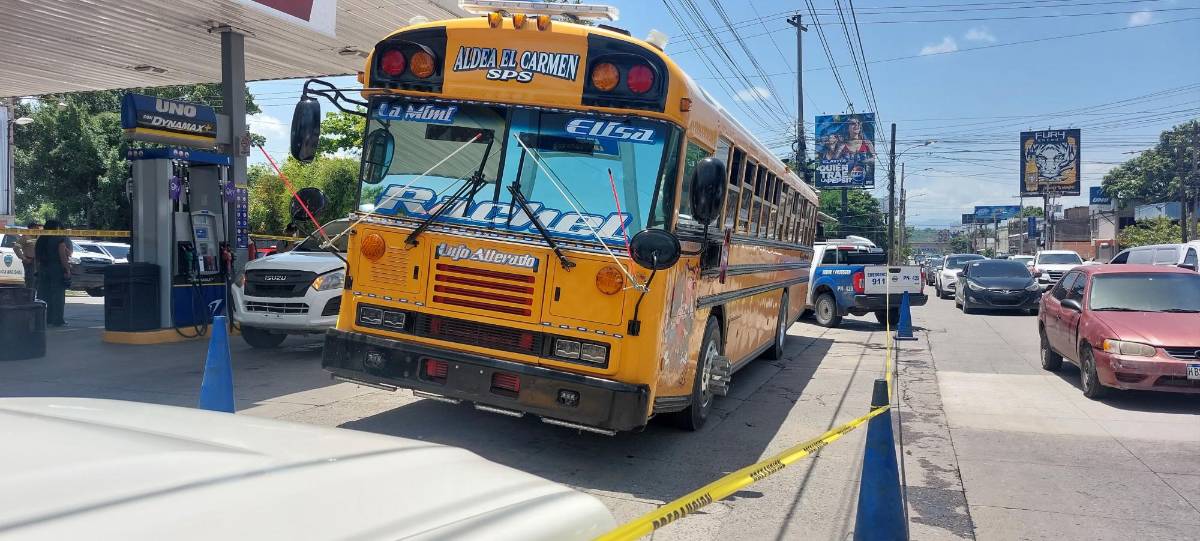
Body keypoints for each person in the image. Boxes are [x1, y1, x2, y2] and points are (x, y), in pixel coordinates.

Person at [34, 219, 72, 327]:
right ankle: (58, 320)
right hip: (56, 268)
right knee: (57, 295)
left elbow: (37, 256)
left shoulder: (41, 239)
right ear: (57, 227)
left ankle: (44, 319)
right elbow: (62, 254)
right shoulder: (59, 238)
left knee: (44, 295)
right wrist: (67, 269)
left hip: (43, 268)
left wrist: (37, 270)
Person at [12, 220, 41, 289]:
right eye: (36, 227)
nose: (38, 228)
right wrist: (24, 258)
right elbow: (16, 248)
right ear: (31, 228)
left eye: (38, 227)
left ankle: (35, 294)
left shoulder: (39, 236)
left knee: (38, 281)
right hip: (30, 261)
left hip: (38, 262)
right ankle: (28, 294)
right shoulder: (25, 237)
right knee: (30, 280)